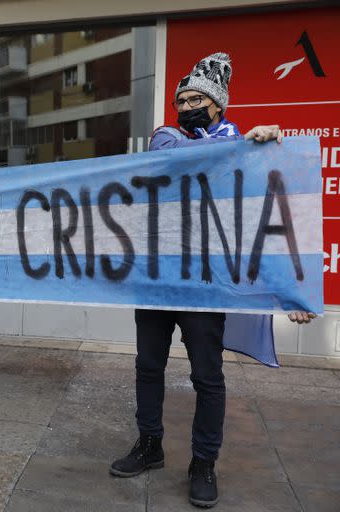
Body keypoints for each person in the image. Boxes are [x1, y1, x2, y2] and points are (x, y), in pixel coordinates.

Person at [109, 53, 316, 508]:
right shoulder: (166, 137)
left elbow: (262, 222)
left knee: (207, 376)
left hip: (206, 283)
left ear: (219, 106)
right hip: (159, 280)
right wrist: (248, 147)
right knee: (148, 365)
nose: (186, 106)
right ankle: (150, 444)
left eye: (196, 99)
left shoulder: (242, 152)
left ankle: (204, 461)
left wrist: (291, 291)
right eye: (181, 99)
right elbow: (179, 159)